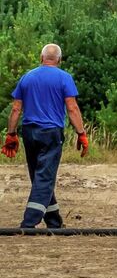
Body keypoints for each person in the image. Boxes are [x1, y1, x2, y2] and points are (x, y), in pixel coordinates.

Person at [6, 44, 88, 230]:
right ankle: (29, 222)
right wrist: (81, 133)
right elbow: (72, 108)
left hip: (29, 132)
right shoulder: (64, 78)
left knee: (39, 176)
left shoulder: (27, 77)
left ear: (41, 57)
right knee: (44, 177)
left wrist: (11, 134)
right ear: (59, 59)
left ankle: (53, 221)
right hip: (51, 133)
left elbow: (16, 109)